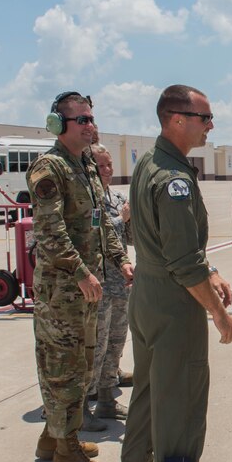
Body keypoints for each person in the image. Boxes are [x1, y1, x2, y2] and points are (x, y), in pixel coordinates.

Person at [119, 84, 232, 462]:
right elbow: (184, 263)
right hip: (173, 304)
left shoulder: (150, 162)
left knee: (151, 386)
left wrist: (212, 270)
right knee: (181, 404)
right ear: (176, 119)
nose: (211, 126)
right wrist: (219, 314)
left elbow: (173, 247)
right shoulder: (174, 179)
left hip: (148, 297)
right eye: (204, 118)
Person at [28, 91, 131, 462]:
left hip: (87, 285)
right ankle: (67, 452)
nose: (91, 125)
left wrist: (119, 259)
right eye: (82, 120)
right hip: (62, 291)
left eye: (91, 118)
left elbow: (102, 221)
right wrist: (81, 272)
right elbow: (49, 231)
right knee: (63, 367)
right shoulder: (48, 169)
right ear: (59, 125)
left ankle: (52, 438)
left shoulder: (86, 164)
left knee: (81, 364)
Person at [87, 143, 131, 421]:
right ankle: (85, 403)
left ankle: (106, 398)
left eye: (109, 165)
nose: (107, 171)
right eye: (100, 166)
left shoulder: (117, 196)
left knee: (116, 341)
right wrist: (121, 218)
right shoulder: (89, 199)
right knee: (97, 346)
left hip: (120, 282)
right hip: (99, 284)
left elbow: (130, 237)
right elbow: (95, 234)